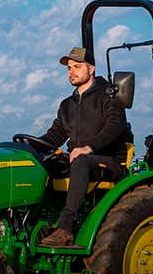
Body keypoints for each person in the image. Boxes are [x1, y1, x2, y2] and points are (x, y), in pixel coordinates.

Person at [38, 46, 130, 247]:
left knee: (80, 160)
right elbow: (55, 135)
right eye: (69, 68)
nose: (72, 71)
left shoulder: (108, 96)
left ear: (91, 69)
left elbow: (116, 126)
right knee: (41, 162)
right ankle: (41, 223)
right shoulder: (66, 105)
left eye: (77, 66)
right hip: (79, 159)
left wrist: (89, 147)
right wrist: (31, 147)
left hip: (108, 160)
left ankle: (65, 229)